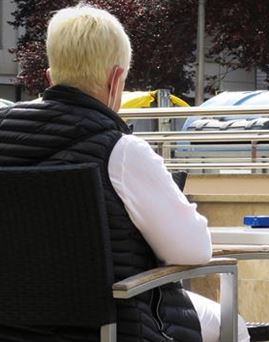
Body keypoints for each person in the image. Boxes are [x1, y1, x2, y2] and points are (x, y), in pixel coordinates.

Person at [0, 5, 249, 342]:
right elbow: (193, 250)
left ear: (49, 77)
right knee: (233, 322)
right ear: (117, 80)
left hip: (14, 329)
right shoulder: (121, 151)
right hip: (115, 327)